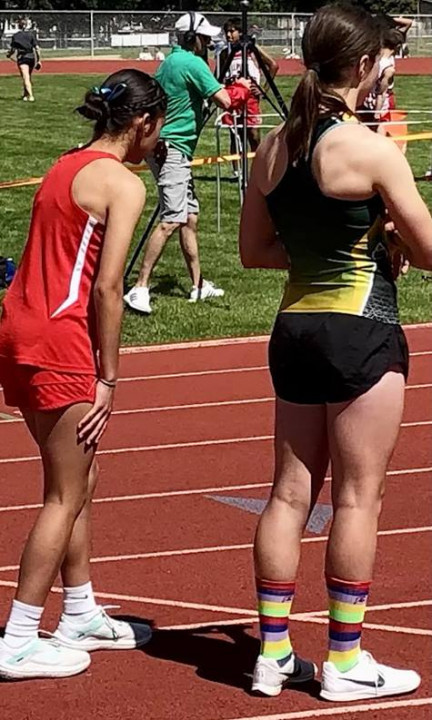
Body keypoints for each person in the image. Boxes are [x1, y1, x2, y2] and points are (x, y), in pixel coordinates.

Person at [239, 3, 432, 702]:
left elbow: (254, 252)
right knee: (358, 498)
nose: (391, 67)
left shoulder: (272, 144)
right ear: (360, 65)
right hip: (362, 328)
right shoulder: (370, 147)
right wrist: (385, 241)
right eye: (385, 57)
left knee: (289, 495)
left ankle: (272, 653)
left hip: (293, 329)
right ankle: (345, 661)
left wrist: (336, 244)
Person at [0, 69, 167, 681]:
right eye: (160, 128)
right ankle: (18, 636)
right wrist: (109, 376)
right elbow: (108, 287)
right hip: (60, 339)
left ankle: (79, 610)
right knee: (64, 493)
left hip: (19, 326)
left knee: (79, 475)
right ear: (143, 124)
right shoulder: (122, 184)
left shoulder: (64, 164)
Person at [123, 12, 233, 315]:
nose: (209, 42)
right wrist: (242, 89)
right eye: (204, 37)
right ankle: (140, 287)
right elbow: (225, 100)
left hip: (169, 147)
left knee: (189, 217)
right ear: (191, 38)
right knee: (172, 218)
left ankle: (198, 284)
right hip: (172, 149)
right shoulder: (191, 63)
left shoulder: (171, 61)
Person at [221, 17, 279, 155]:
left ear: (240, 32)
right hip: (233, 96)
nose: (228, 35)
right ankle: (237, 172)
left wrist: (263, 89)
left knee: (253, 134)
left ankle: (256, 167)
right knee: (235, 135)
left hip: (250, 97)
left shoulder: (252, 50)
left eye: (232, 31)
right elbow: (219, 74)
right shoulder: (225, 53)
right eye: (226, 32)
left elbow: (273, 65)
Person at [7, 18, 41, 102]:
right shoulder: (31, 35)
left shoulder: (16, 36)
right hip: (31, 58)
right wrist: (39, 60)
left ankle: (31, 96)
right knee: (27, 77)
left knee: (26, 77)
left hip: (22, 58)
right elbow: (37, 48)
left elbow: (12, 49)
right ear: (26, 25)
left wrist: (9, 55)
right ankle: (25, 95)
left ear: (19, 25)